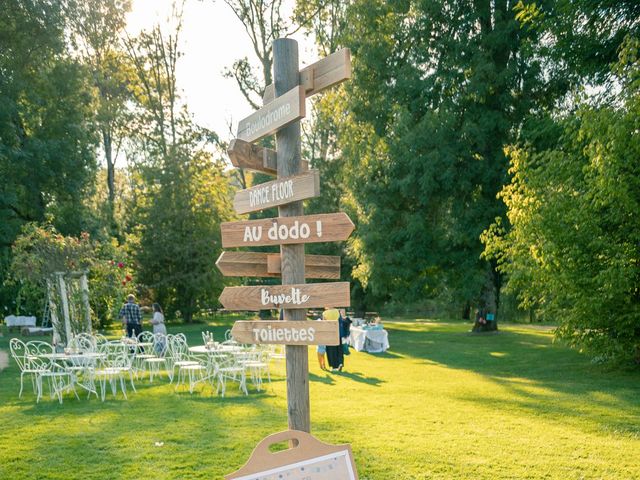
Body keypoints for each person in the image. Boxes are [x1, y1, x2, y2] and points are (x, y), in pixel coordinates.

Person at [323, 307, 343, 372]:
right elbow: (341, 321)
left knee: (330, 350)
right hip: (337, 333)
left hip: (329, 333)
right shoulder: (337, 311)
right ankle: (340, 362)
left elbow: (324, 324)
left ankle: (333, 367)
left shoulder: (325, 313)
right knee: (339, 349)